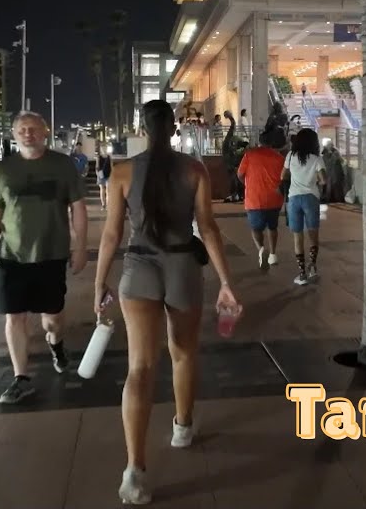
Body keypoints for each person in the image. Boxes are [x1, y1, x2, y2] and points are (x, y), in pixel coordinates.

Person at [94, 100, 238, 505]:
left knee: (139, 368)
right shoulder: (194, 169)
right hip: (181, 268)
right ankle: (183, 427)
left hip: (138, 268)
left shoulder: (121, 171)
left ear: (142, 127)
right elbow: (207, 228)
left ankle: (135, 471)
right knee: (183, 353)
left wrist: (99, 282)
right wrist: (226, 282)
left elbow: (110, 235)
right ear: (173, 127)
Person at [0, 112, 88, 403]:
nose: (28, 134)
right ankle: (20, 377)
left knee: (52, 319)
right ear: (14, 135)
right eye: (22, 130)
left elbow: (77, 207)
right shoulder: (3, 169)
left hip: (51, 254)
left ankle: (57, 343)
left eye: (34, 129)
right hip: (10, 256)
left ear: (45, 133)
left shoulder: (62, 165)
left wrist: (80, 246)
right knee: (15, 317)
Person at [282, 128, 326, 286]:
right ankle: (313, 266)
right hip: (311, 198)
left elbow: (283, 176)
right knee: (313, 235)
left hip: (294, 198)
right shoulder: (317, 159)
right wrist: (314, 182)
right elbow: (323, 180)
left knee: (297, 236)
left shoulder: (290, 156)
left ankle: (302, 275)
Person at [237, 130, 286, 270]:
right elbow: (285, 177)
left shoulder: (250, 155)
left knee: (255, 229)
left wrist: (248, 184)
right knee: (272, 227)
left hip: (254, 199)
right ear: (271, 143)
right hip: (275, 199)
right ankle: (273, 254)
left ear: (260, 141)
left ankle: (261, 249)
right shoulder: (279, 157)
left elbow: (240, 174)